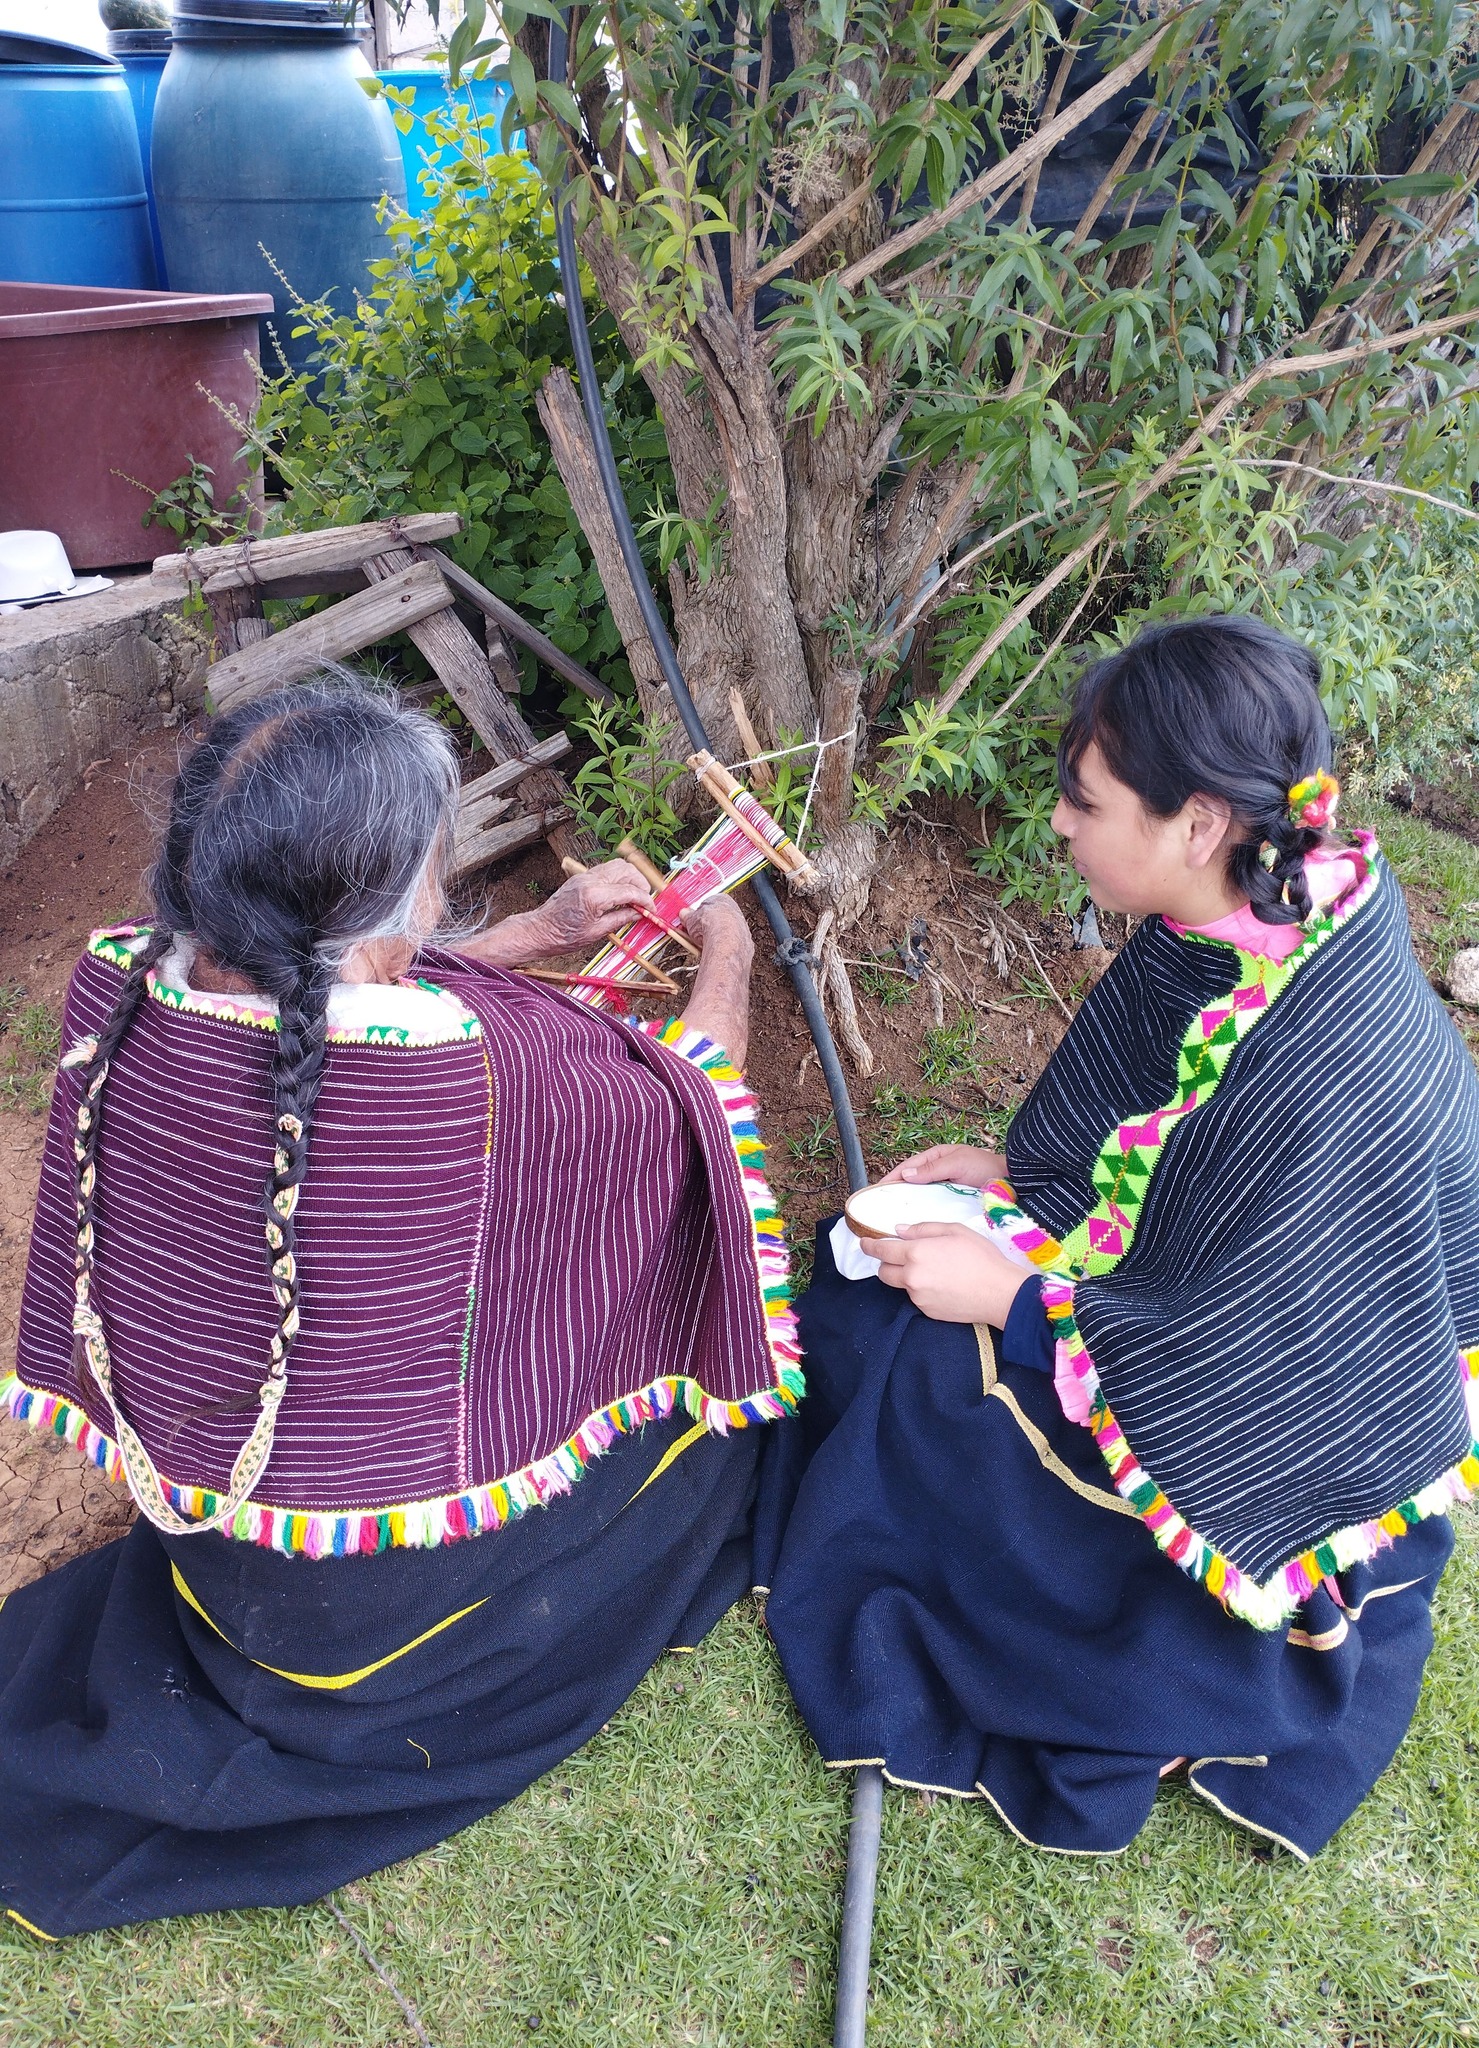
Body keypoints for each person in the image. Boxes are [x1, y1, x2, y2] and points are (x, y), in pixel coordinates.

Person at [0, 676, 798, 1941]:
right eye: (438, 865)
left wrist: (535, 933)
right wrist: (735, 950)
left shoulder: (126, 1000)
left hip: (224, 1554)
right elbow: (695, 1102)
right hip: (359, 1614)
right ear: (405, 899)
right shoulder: (472, 1090)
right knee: (712, 1444)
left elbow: (326, 999)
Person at [759, 614, 1479, 1860]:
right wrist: (1018, 1176)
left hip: (1270, 1437)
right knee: (868, 1276)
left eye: (1085, 803)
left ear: (1198, 821)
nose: (1058, 825)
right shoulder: (1263, 896)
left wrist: (1012, 1303)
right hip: (1223, 1326)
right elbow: (1169, 1135)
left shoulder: (1308, 1063)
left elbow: (1255, 1358)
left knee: (924, 1377)